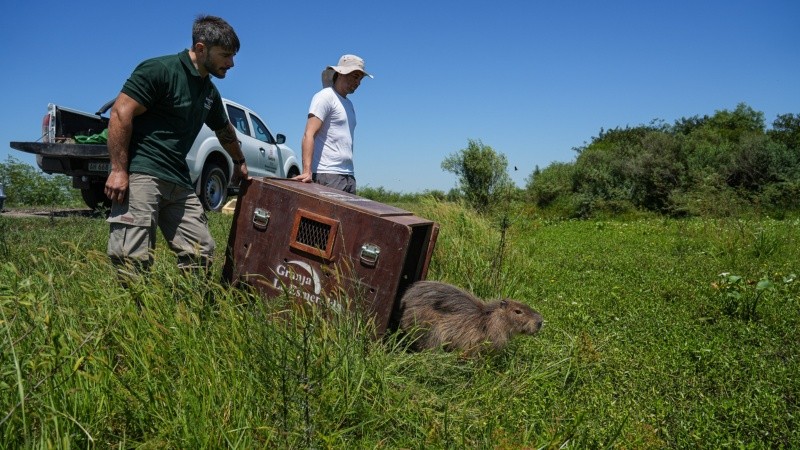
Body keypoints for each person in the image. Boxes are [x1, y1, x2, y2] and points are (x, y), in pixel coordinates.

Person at [104, 15, 248, 280]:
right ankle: (129, 316)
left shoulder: (209, 92)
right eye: (225, 55)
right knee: (132, 260)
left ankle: (187, 315)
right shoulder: (160, 70)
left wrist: (239, 162)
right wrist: (118, 170)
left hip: (178, 179)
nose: (231, 63)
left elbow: (224, 130)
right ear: (201, 48)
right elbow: (120, 113)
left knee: (201, 250)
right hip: (142, 173)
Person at [294, 54, 372, 194]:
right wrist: (307, 171)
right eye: (355, 76)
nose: (358, 82)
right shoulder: (325, 96)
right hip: (327, 174)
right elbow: (309, 134)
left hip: (348, 175)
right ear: (341, 73)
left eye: (360, 79)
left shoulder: (349, 104)